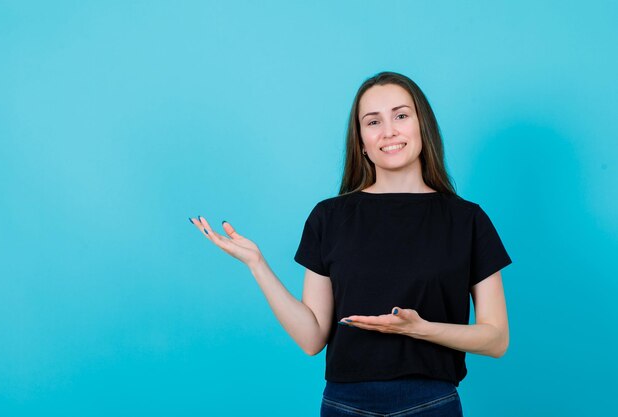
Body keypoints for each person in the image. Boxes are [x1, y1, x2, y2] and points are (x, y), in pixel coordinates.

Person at [190, 71, 512, 417]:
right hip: (345, 405)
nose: (388, 131)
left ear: (423, 126)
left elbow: (496, 339)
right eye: (373, 122)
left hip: (430, 403)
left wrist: (421, 329)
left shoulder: (467, 220)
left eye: (401, 116)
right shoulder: (329, 217)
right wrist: (257, 264)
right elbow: (312, 338)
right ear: (360, 139)